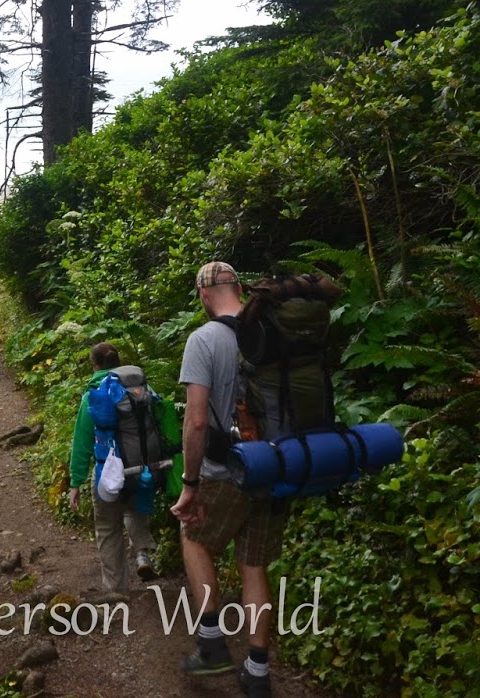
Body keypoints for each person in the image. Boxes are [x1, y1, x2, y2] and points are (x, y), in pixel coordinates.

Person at [171, 261, 289, 698]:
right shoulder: (272, 334)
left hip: (228, 471)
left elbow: (197, 422)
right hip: (275, 467)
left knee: (194, 538)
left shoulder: (204, 339)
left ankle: (212, 643)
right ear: (239, 287)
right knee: (254, 567)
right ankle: (258, 670)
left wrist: (190, 482)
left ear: (204, 294)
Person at [66, 343, 182, 592]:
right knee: (136, 509)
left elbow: (82, 443)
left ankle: (115, 590)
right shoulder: (143, 389)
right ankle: (142, 553)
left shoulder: (94, 394)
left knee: (108, 529)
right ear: (119, 363)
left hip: (109, 476)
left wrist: (75, 482)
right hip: (145, 470)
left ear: (94, 365)